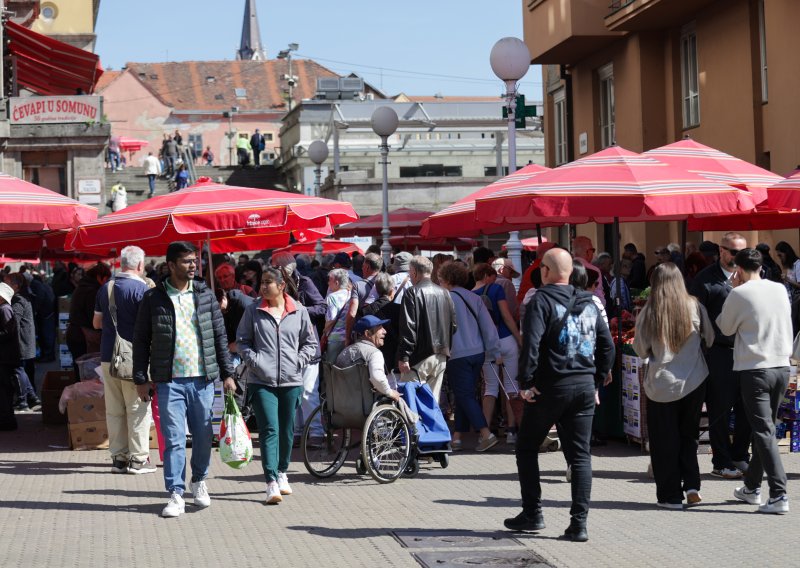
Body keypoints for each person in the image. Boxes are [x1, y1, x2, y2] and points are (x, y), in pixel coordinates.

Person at [505, 248, 614, 542]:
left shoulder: (541, 299)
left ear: (545, 272)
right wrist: (597, 380)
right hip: (582, 387)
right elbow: (608, 346)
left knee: (527, 447)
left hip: (550, 387)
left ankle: (533, 513)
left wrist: (526, 382)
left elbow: (531, 345)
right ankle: (579, 524)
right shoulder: (590, 301)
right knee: (581, 457)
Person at [132, 241, 234, 518]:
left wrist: (227, 373)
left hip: (202, 380)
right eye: (187, 262)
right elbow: (140, 340)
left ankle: (199, 480)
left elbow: (219, 335)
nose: (193, 266)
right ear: (171, 265)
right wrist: (141, 378)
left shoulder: (204, 295)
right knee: (175, 439)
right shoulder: (154, 298)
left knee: (203, 436)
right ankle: (176, 493)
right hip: (169, 382)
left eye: (195, 261)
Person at [717, 249, 793, 514]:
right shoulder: (779, 289)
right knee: (766, 431)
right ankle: (751, 488)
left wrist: (733, 291)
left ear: (738, 269)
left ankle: (779, 495)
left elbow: (724, 328)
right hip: (782, 366)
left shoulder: (738, 293)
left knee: (763, 432)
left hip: (755, 369)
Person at [633, 263, 714, 509]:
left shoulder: (649, 311)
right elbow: (710, 338)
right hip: (694, 379)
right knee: (688, 436)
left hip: (662, 383)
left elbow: (640, 349)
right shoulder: (695, 306)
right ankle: (691, 485)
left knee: (663, 441)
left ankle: (670, 496)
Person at [236, 267, 317, 504]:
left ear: (282, 286)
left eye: (268, 283)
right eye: (261, 282)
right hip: (262, 381)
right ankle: (271, 480)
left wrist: (299, 361)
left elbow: (310, 344)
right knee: (269, 429)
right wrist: (256, 362)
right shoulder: (253, 310)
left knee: (287, 429)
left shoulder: (299, 311)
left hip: (292, 380)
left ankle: (283, 472)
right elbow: (243, 341)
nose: (262, 287)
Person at [688, 232, 751, 478]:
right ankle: (721, 461)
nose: (737, 257)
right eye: (733, 252)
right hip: (719, 353)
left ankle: (740, 456)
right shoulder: (705, 280)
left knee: (746, 409)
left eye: (742, 253)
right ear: (721, 251)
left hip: (746, 352)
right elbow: (694, 318)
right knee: (720, 410)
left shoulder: (751, 276)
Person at [93, 246, 154, 474]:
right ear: (140, 265)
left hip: (108, 355)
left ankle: (118, 459)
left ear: (121, 264)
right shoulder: (143, 290)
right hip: (135, 358)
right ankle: (139, 460)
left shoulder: (105, 289)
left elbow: (96, 323)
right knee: (138, 408)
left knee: (114, 409)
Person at [438, 261, 500, 452]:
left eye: (440, 279)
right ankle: (457, 437)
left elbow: (440, 329)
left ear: (447, 279)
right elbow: (488, 328)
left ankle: (485, 433)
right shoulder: (474, 298)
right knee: (465, 395)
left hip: (457, 353)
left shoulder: (445, 299)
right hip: (478, 352)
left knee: (464, 395)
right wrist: (494, 352)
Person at [268, 251, 326, 443]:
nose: (273, 270)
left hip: (307, 346)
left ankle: (316, 431)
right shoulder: (276, 286)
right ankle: (299, 430)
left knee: (308, 391)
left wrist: (300, 310)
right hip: (287, 348)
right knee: (294, 393)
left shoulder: (305, 282)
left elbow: (321, 306)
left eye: (276, 267)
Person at [472, 263, 522, 445]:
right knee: (512, 386)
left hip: (486, 345)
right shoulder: (496, 289)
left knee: (490, 388)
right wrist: (519, 338)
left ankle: (485, 433)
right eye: (493, 276)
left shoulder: (469, 295)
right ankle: (512, 431)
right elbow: (507, 316)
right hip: (506, 339)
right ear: (487, 275)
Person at [397, 256, 457, 404]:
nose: (409, 276)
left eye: (410, 272)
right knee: (432, 403)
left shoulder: (412, 292)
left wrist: (404, 356)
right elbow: (453, 326)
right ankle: (430, 427)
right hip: (441, 354)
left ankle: (416, 428)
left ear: (415, 272)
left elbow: (408, 327)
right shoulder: (445, 293)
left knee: (411, 404)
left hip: (419, 357)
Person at [336, 315, 401, 401]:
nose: (385, 331)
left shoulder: (344, 352)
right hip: (365, 405)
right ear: (368, 334)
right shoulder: (374, 353)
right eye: (380, 328)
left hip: (341, 404)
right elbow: (377, 378)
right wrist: (390, 392)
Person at [66, 263, 112, 377]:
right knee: (87, 374)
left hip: (75, 334)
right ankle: (82, 394)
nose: (107, 282)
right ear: (99, 277)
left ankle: (80, 393)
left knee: (81, 371)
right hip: (82, 337)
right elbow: (94, 319)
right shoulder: (92, 291)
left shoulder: (83, 287)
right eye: (106, 279)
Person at [4, 274, 39, 412]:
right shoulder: (22, 297)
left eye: (6, 284)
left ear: (15, 286)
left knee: (19, 370)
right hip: (24, 341)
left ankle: (23, 399)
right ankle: (31, 397)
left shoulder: (18, 300)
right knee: (21, 370)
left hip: (21, 342)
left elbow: (14, 323)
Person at [361, 272, 400, 368]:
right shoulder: (399, 309)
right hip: (393, 355)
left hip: (371, 354)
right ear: (391, 291)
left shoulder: (365, 310)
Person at [346, 252, 382, 342]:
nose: (362, 268)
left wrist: (347, 337)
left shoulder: (358, 285)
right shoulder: (387, 283)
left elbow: (352, 313)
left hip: (363, 333)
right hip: (381, 331)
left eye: (363, 266)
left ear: (367, 267)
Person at [0, 283, 21, 431]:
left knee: (4, 388)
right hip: (5, 356)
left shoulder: (4, 309)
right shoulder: (4, 309)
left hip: (5, 357)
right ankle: (6, 419)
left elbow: (8, 332)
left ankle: (7, 420)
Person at [322, 268, 350, 363]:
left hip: (335, 338)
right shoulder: (350, 294)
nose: (328, 283)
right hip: (348, 337)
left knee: (331, 369)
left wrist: (324, 331)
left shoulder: (332, 297)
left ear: (337, 282)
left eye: (330, 280)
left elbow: (331, 319)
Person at [572, 236, 605, 306]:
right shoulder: (594, 271)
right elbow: (600, 298)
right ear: (588, 251)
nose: (593, 253)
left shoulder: (566, 268)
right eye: (593, 250)